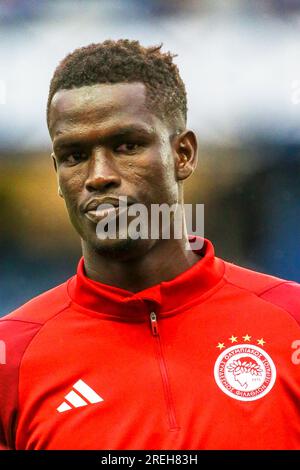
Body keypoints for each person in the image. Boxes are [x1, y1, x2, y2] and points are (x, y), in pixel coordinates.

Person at [0, 39, 300, 451]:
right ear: (56, 174)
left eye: (127, 146)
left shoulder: (291, 320)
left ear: (183, 154)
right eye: (74, 155)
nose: (99, 175)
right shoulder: (11, 356)